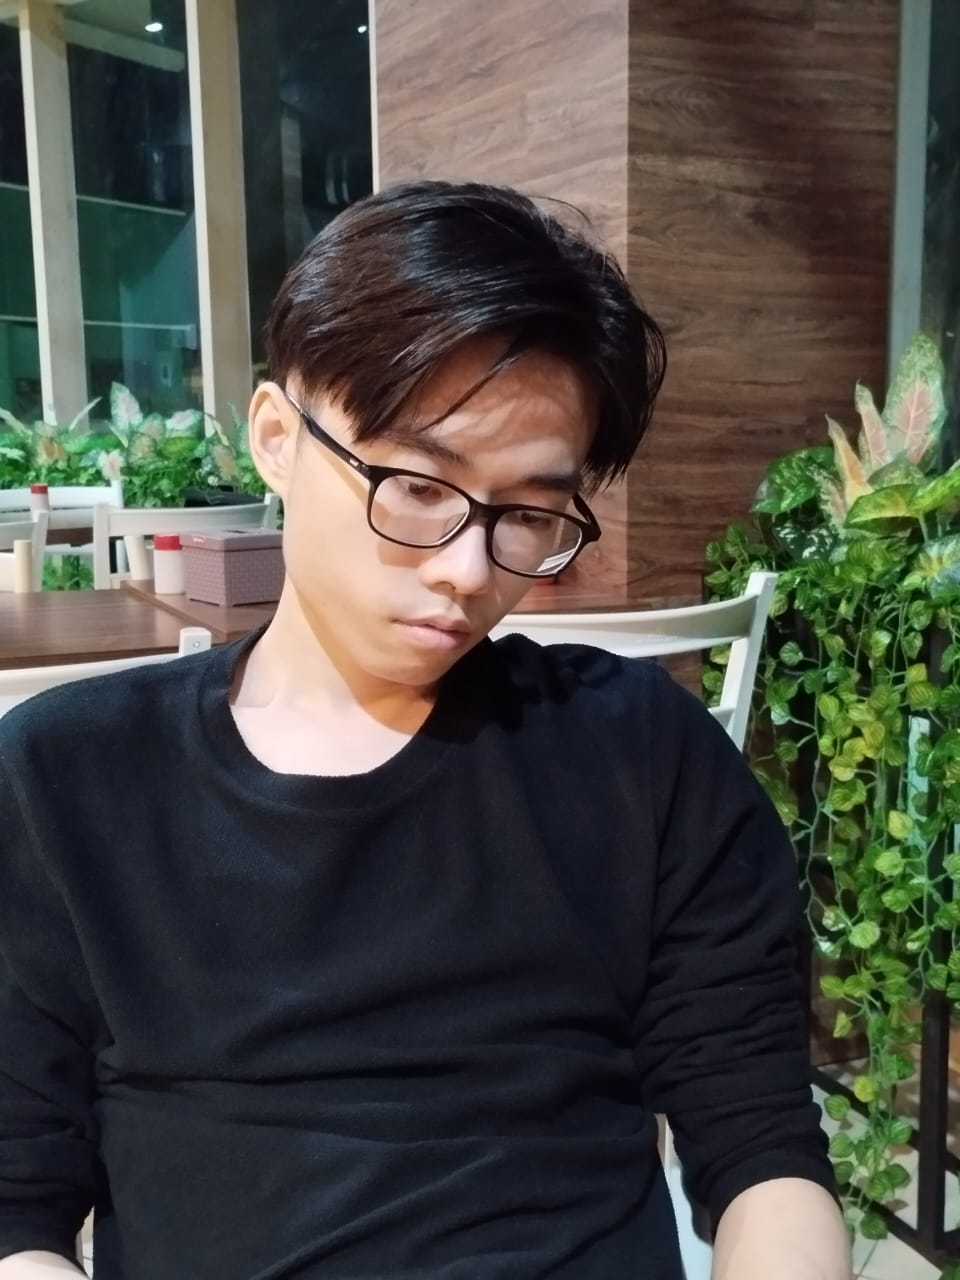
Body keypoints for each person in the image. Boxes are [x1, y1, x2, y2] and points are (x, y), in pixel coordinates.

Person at [0, 181, 849, 1280]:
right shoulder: (70, 781)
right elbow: (15, 1202)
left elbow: (763, 1148)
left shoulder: (641, 758)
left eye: (527, 514)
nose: (465, 568)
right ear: (277, 438)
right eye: (415, 486)